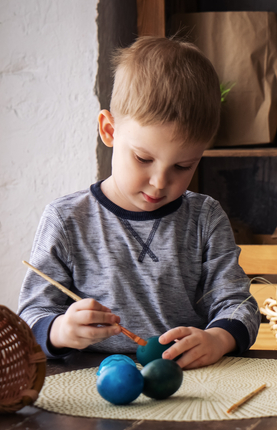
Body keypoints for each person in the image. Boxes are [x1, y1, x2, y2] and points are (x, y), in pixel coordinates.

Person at [18, 36, 259, 369]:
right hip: (89, 384)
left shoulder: (205, 218)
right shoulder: (66, 220)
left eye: (183, 166)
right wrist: (59, 330)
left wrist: (218, 339)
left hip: (191, 383)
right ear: (109, 130)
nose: (160, 182)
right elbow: (30, 318)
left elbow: (239, 305)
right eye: (143, 158)